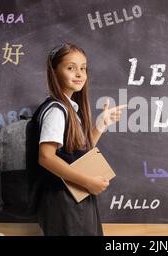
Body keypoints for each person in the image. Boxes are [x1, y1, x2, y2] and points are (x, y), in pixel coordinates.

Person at [37, 42, 126, 235]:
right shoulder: (56, 110)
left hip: (75, 198)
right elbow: (46, 157)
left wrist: (101, 125)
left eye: (83, 68)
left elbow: (78, 155)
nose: (79, 74)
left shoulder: (70, 110)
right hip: (65, 200)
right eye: (71, 68)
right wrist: (87, 181)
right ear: (54, 71)